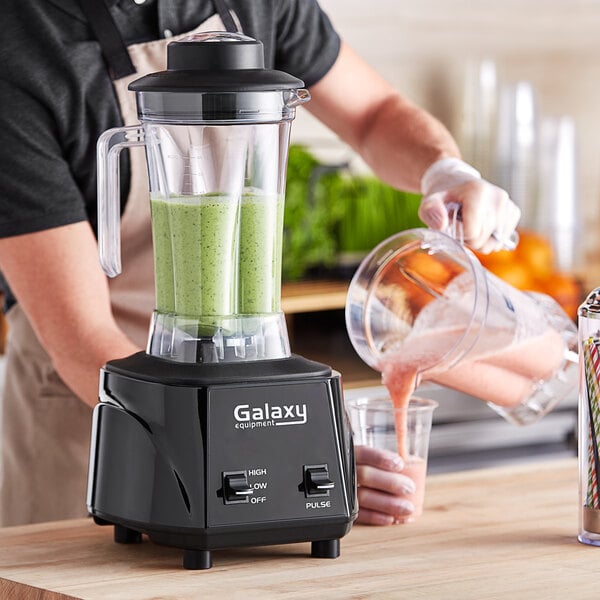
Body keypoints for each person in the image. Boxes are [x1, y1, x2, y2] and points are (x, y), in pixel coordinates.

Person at [0, 0, 520, 528]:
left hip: (249, 379)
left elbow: (372, 114)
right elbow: (80, 336)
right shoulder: (17, 46)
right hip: (100, 410)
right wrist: (274, 450)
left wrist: (444, 171)